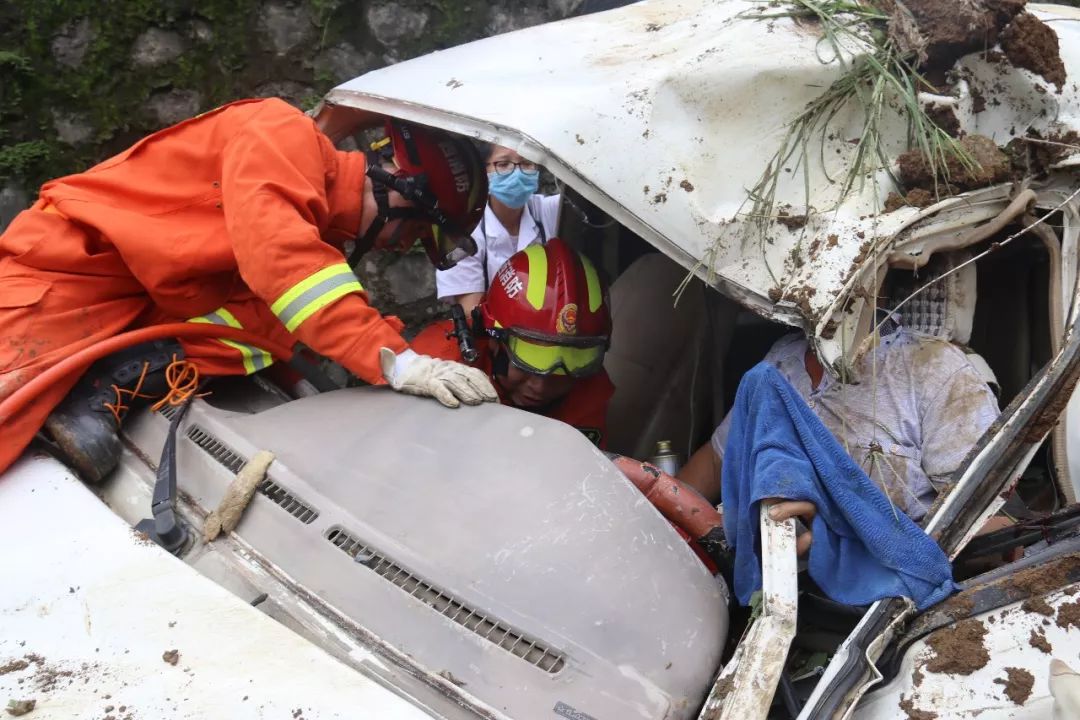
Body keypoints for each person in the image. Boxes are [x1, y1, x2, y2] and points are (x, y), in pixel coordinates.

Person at [0, 97, 498, 482]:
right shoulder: (282, 132)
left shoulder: (314, 219)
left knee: (262, 329)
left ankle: (110, 380)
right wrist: (399, 362)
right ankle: (104, 383)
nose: (396, 247)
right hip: (57, 283)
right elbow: (280, 258)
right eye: (411, 235)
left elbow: (288, 304)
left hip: (118, 300)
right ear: (402, 191)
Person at [679, 321, 1001, 528]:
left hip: (890, 611)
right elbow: (717, 460)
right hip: (786, 595)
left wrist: (852, 543)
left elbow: (993, 524)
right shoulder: (780, 362)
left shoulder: (933, 368)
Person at [413, 237, 614, 447]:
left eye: (561, 372)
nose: (540, 387)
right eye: (527, 365)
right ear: (492, 339)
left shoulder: (588, 389)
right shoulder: (434, 364)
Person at [434, 143, 560, 315]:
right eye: (503, 164)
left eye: (526, 163)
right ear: (482, 171)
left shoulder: (550, 211)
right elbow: (473, 315)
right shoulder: (463, 233)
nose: (517, 172)